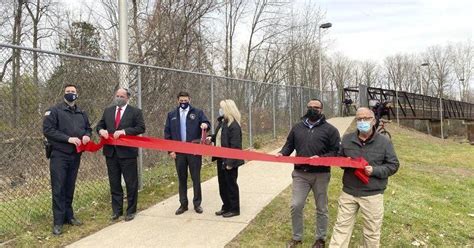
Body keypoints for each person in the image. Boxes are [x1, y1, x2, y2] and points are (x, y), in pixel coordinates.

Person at [329, 107, 399, 248]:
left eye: (366, 118)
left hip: (372, 194)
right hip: (349, 192)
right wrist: (345, 162)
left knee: (371, 233)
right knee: (341, 228)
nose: (362, 121)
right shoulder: (347, 139)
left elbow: (393, 165)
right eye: (359, 119)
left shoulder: (384, 142)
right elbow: (339, 158)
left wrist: (374, 170)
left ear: (373, 121)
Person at [276, 99, 341, 248]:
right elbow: (289, 145)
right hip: (300, 173)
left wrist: (321, 158)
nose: (313, 109)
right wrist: (282, 153)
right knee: (296, 205)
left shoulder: (330, 130)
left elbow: (336, 152)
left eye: (316, 107)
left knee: (322, 207)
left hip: (321, 174)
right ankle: (297, 237)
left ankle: (320, 239)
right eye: (310, 107)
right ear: (306, 108)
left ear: (321, 110)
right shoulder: (297, 127)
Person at [43, 84, 92, 235]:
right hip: (59, 155)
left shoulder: (81, 113)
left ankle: (69, 217)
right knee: (59, 187)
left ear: (77, 94)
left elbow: (88, 128)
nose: (71, 94)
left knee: (70, 186)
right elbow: (48, 130)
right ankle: (58, 222)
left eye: (73, 92)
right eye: (68, 92)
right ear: (63, 94)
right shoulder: (54, 111)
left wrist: (87, 136)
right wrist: (68, 138)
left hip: (75, 155)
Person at [97, 88, 146, 222]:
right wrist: (101, 130)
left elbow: (141, 127)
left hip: (127, 153)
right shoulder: (108, 111)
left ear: (127, 98)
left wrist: (124, 131)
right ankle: (116, 210)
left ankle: (131, 210)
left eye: (122, 96)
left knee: (131, 183)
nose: (119, 98)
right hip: (111, 152)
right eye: (117, 95)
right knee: (114, 183)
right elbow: (100, 125)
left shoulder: (135, 112)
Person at [164, 91, 210, 215]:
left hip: (194, 151)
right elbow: (167, 134)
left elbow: (207, 124)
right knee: (182, 178)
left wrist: (205, 124)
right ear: (177, 101)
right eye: (181, 101)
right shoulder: (171, 115)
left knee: (196, 178)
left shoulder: (197, 112)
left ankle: (197, 204)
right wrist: (170, 150)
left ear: (189, 99)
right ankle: (183, 204)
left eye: (185, 100)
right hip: (179, 152)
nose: (183, 103)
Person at [209, 99, 244, 218]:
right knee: (222, 184)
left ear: (228, 110)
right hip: (220, 158)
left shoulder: (234, 126)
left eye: (222, 108)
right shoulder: (223, 122)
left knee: (231, 184)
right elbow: (219, 137)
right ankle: (226, 206)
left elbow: (235, 146)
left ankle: (234, 208)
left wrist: (230, 163)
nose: (220, 110)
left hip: (230, 161)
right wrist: (211, 138)